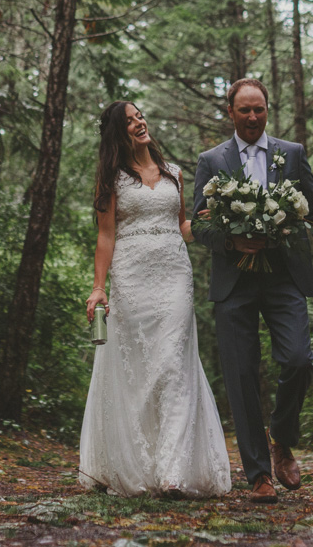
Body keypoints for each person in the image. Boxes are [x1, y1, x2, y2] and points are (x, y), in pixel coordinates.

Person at [191, 78, 313, 504]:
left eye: (259, 109)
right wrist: (231, 241)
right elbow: (198, 224)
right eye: (244, 110)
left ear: (267, 109)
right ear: (231, 113)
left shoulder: (292, 154)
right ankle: (259, 475)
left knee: (298, 359)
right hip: (234, 283)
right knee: (242, 378)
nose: (252, 117)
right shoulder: (211, 160)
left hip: (283, 276)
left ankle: (281, 436)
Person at [77, 101, 232, 498]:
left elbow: (182, 226)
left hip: (175, 276)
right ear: (118, 132)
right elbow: (106, 235)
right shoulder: (111, 179)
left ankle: (172, 473)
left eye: (140, 116)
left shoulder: (174, 174)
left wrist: (212, 222)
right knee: (139, 370)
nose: (139, 123)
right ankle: (137, 463)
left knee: (173, 365)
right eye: (129, 121)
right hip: (130, 278)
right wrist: (98, 287)